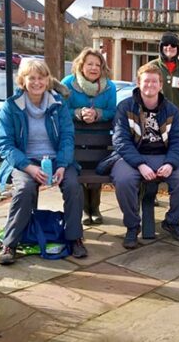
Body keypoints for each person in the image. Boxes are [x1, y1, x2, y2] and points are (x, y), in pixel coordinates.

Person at [0, 59, 87, 265]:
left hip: (57, 160)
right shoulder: (11, 107)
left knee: (73, 185)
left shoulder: (58, 105)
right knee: (25, 189)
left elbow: (66, 137)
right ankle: (11, 243)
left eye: (41, 78)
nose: (37, 82)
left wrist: (63, 165)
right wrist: (28, 166)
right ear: (23, 81)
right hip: (25, 161)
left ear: (48, 80)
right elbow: (4, 144)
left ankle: (74, 238)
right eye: (32, 78)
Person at [111, 63, 179, 249]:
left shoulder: (171, 110)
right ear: (138, 83)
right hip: (131, 157)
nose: (150, 85)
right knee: (124, 181)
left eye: (154, 81)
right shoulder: (125, 107)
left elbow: (178, 141)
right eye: (146, 81)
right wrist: (140, 164)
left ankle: (172, 222)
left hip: (162, 157)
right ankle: (132, 227)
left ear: (160, 85)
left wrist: (171, 163)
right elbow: (120, 140)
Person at [62, 48, 117, 225]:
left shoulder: (110, 87)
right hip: (75, 139)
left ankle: (95, 207)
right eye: (90, 64)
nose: (94, 68)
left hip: (100, 140)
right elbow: (61, 111)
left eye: (97, 65)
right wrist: (79, 113)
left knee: (97, 173)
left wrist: (97, 114)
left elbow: (112, 111)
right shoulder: (68, 84)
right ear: (81, 65)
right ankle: (86, 209)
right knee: (79, 173)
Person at [148, 31, 179, 123]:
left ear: (177, 48)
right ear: (161, 47)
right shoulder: (152, 67)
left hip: (177, 120)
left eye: (173, 45)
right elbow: (141, 91)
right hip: (156, 119)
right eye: (166, 44)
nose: (169, 47)